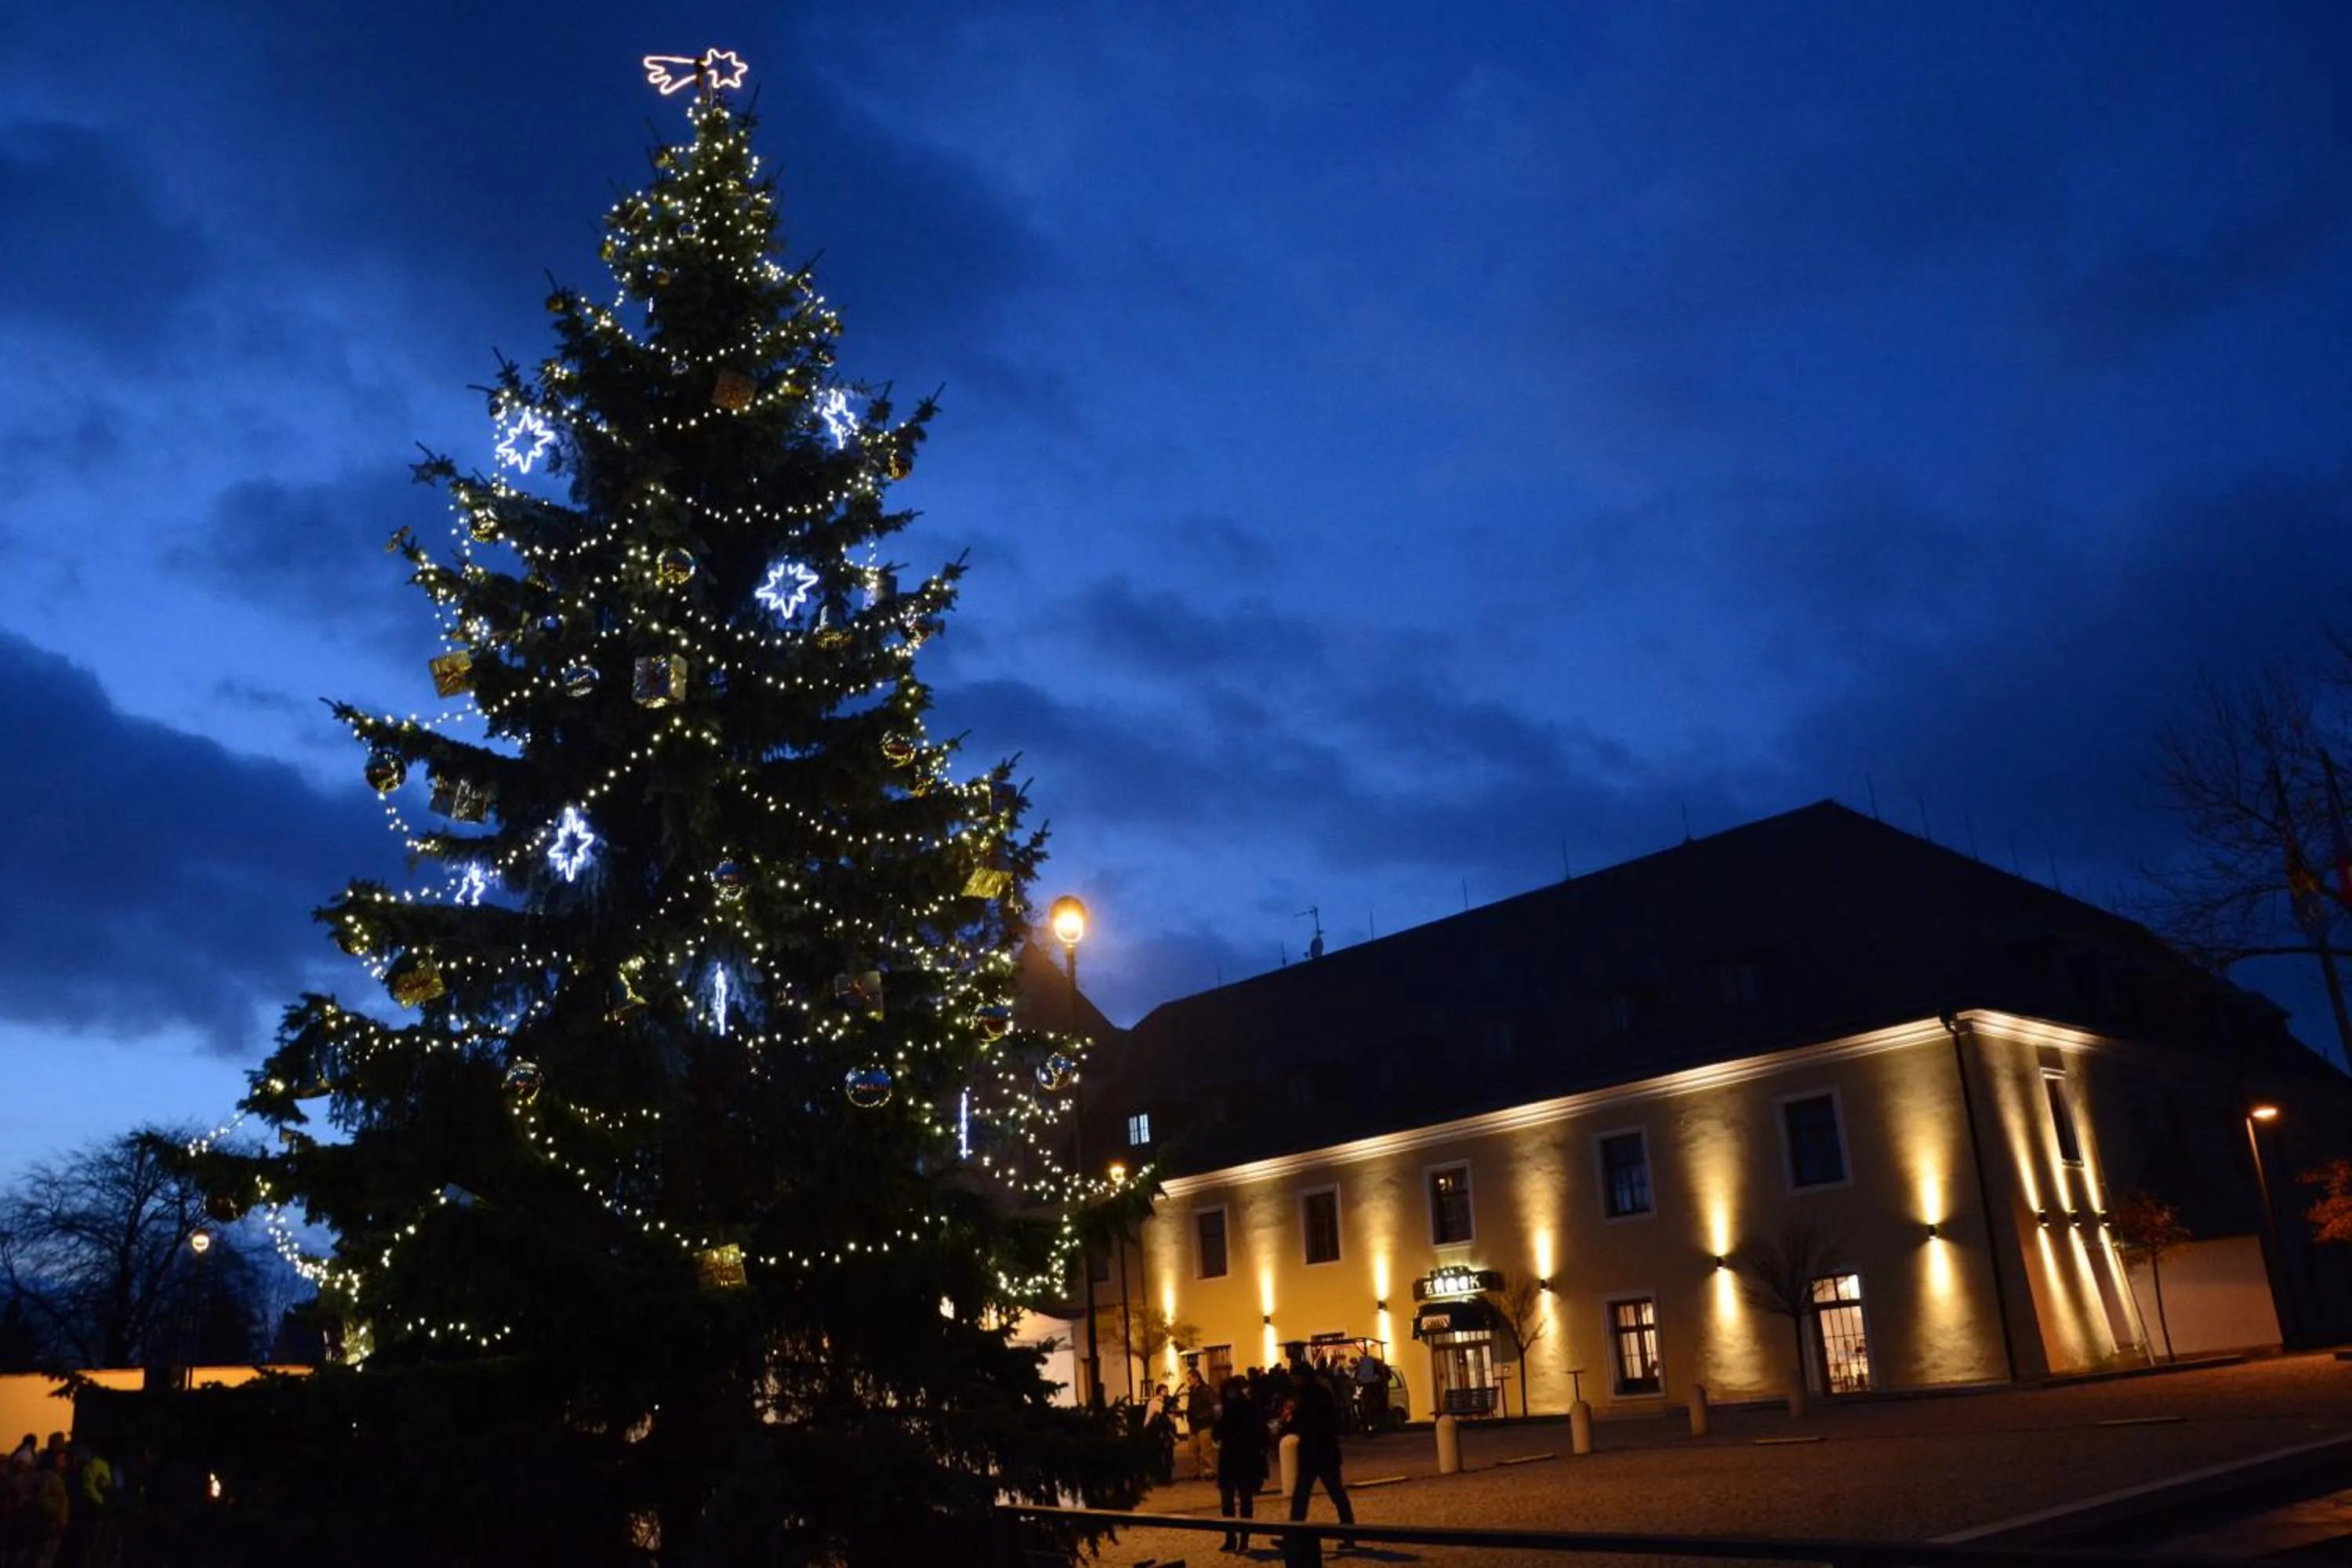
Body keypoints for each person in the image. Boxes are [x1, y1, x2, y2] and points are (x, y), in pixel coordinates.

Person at [1282, 1356, 1355, 1563]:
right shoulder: (1313, 1394)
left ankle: (1297, 1534)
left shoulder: (1309, 1397)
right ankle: (1348, 1534)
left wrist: (1289, 1422)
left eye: (1294, 1376)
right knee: (1321, 1495)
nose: (1292, 1380)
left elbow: (1308, 1422)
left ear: (1301, 1378)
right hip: (1321, 1451)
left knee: (1320, 1494)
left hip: (1318, 1451)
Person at [1212, 1377, 1266, 1554]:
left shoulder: (1247, 1408)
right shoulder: (1227, 1409)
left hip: (1243, 1457)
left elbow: (1258, 1432)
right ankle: (1231, 1538)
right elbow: (1216, 1434)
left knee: (1244, 1500)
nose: (1230, 1394)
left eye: (1232, 1390)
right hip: (1231, 1458)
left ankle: (1243, 1539)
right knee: (1228, 1501)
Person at [1182, 1366, 1218, 1481]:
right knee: (1193, 1450)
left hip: (1204, 1424)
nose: (1189, 1381)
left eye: (1190, 1379)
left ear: (1196, 1378)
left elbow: (1214, 1405)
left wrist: (1204, 1416)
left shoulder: (1206, 1390)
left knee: (1206, 1450)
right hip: (1194, 1425)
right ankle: (1194, 1472)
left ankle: (1210, 1471)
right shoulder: (1192, 1392)